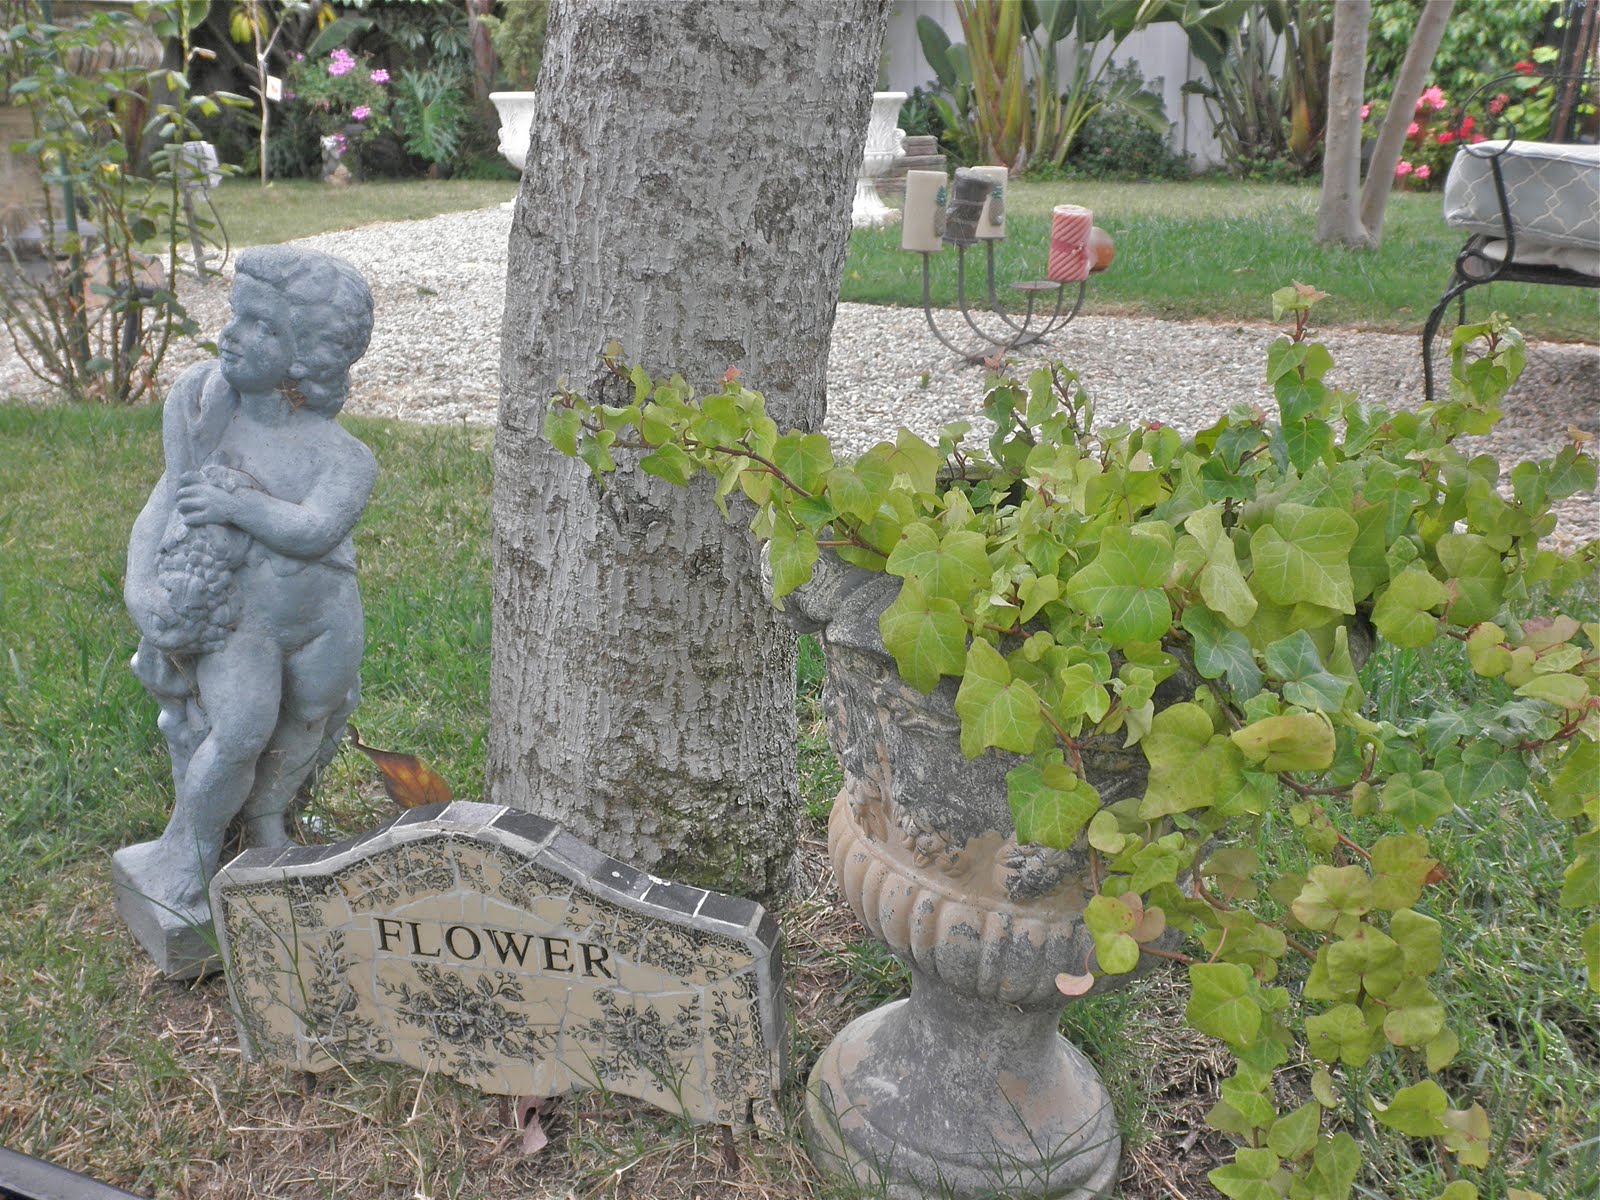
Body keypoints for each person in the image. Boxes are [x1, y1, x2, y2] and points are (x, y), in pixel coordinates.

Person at [118, 245, 376, 926]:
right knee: (239, 731)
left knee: (309, 721)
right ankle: (193, 849)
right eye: (237, 314)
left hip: (324, 621)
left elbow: (315, 529)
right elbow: (165, 503)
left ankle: (267, 828)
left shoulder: (345, 457)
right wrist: (141, 589)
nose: (231, 333)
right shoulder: (210, 414)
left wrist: (240, 505)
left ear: (307, 356)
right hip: (243, 623)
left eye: (260, 325)